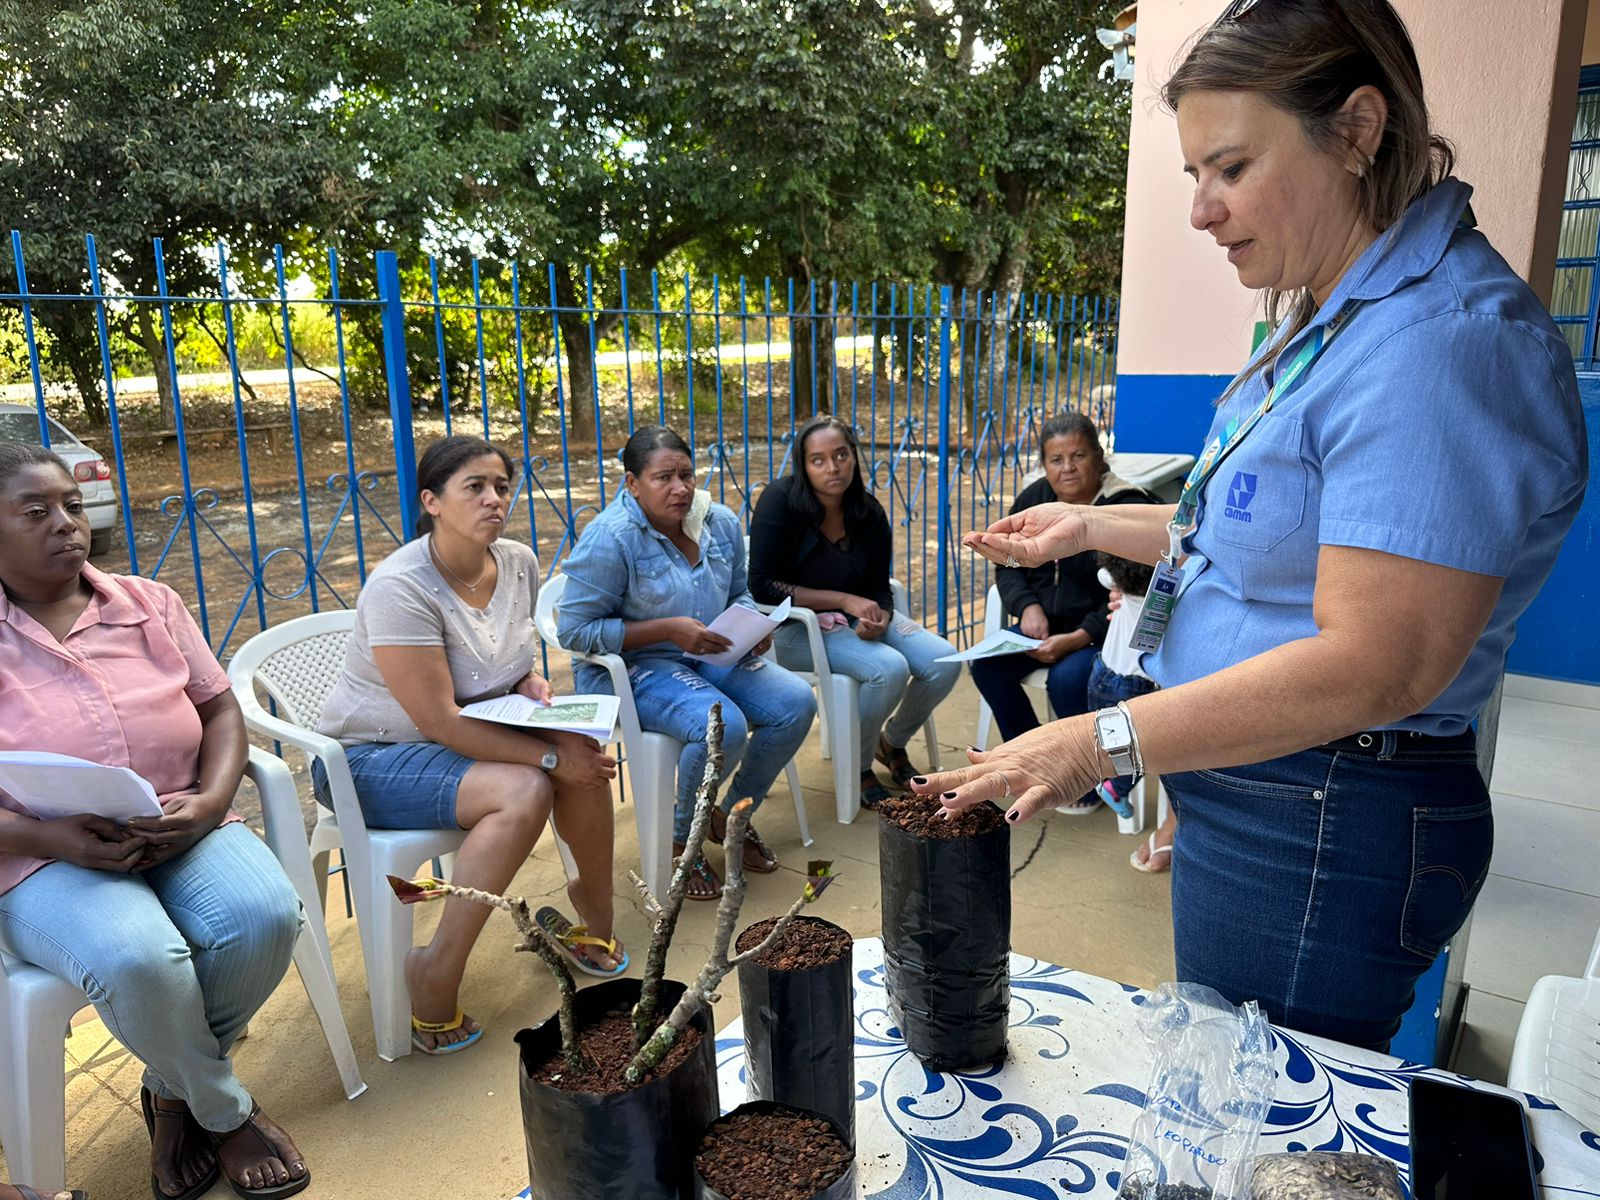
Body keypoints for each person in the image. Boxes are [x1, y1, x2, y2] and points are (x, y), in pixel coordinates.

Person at [914, 0, 1587, 1051]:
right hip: (1268, 780)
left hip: (1321, 801)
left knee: (1262, 1128)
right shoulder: (1334, 313)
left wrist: (1099, 742)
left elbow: (1378, 663)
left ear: (1357, 129)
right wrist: (1088, 524)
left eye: (1228, 167)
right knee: (1227, 1093)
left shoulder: (1436, 346)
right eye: (1192, 175)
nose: (1201, 211)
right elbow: (1242, 537)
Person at [0, 444, 310, 1200]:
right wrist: (51, 835)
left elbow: (219, 707)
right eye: (36, 512)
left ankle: (172, 1092)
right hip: (43, 853)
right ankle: (224, 1113)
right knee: (142, 959)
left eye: (72, 505)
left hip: (178, 820)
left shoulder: (149, 602)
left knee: (266, 916)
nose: (67, 524)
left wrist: (209, 801)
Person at [317, 436, 623, 1055]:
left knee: (582, 758)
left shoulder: (515, 561)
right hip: (370, 758)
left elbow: (502, 663)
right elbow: (438, 720)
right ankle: (434, 968)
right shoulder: (401, 585)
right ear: (431, 501)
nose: (494, 499)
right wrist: (545, 754)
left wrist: (529, 682)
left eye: (501, 486)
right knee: (530, 783)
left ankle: (593, 920)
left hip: (466, 733)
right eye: (474, 488)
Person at [558, 426, 817, 899]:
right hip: (633, 664)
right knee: (724, 726)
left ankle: (732, 815)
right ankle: (685, 841)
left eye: (685, 474)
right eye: (663, 478)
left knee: (795, 702)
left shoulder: (715, 521)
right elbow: (574, 632)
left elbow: (739, 590)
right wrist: (666, 629)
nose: (679, 488)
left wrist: (751, 627)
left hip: (711, 649)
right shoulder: (610, 539)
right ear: (632, 484)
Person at [748, 416, 959, 808]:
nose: (833, 468)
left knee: (944, 659)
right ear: (802, 464)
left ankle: (890, 741)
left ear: (853, 458)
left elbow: (879, 585)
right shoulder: (780, 502)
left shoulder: (868, 511)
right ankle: (858, 766)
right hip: (795, 629)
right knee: (889, 669)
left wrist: (878, 615)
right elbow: (762, 585)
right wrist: (844, 601)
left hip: (853, 622)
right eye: (818, 459)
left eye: (841, 455)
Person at [970, 411, 1155, 813]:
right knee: (986, 665)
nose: (1067, 468)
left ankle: (1086, 778)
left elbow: (1132, 590)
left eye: (1078, 455)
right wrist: (1027, 606)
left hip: (1104, 631)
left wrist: (1080, 636)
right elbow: (1007, 563)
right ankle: (1036, 764)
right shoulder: (1035, 500)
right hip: (1040, 625)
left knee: (1070, 678)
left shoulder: (1125, 506)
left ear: (1098, 456)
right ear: (1044, 464)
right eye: (1056, 459)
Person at [1090, 553, 1177, 873]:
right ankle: (1116, 786)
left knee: (1112, 739)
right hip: (1135, 683)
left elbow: (1104, 575)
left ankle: (1104, 776)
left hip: (1102, 672)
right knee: (1140, 748)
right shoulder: (1167, 597)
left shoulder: (1114, 582)